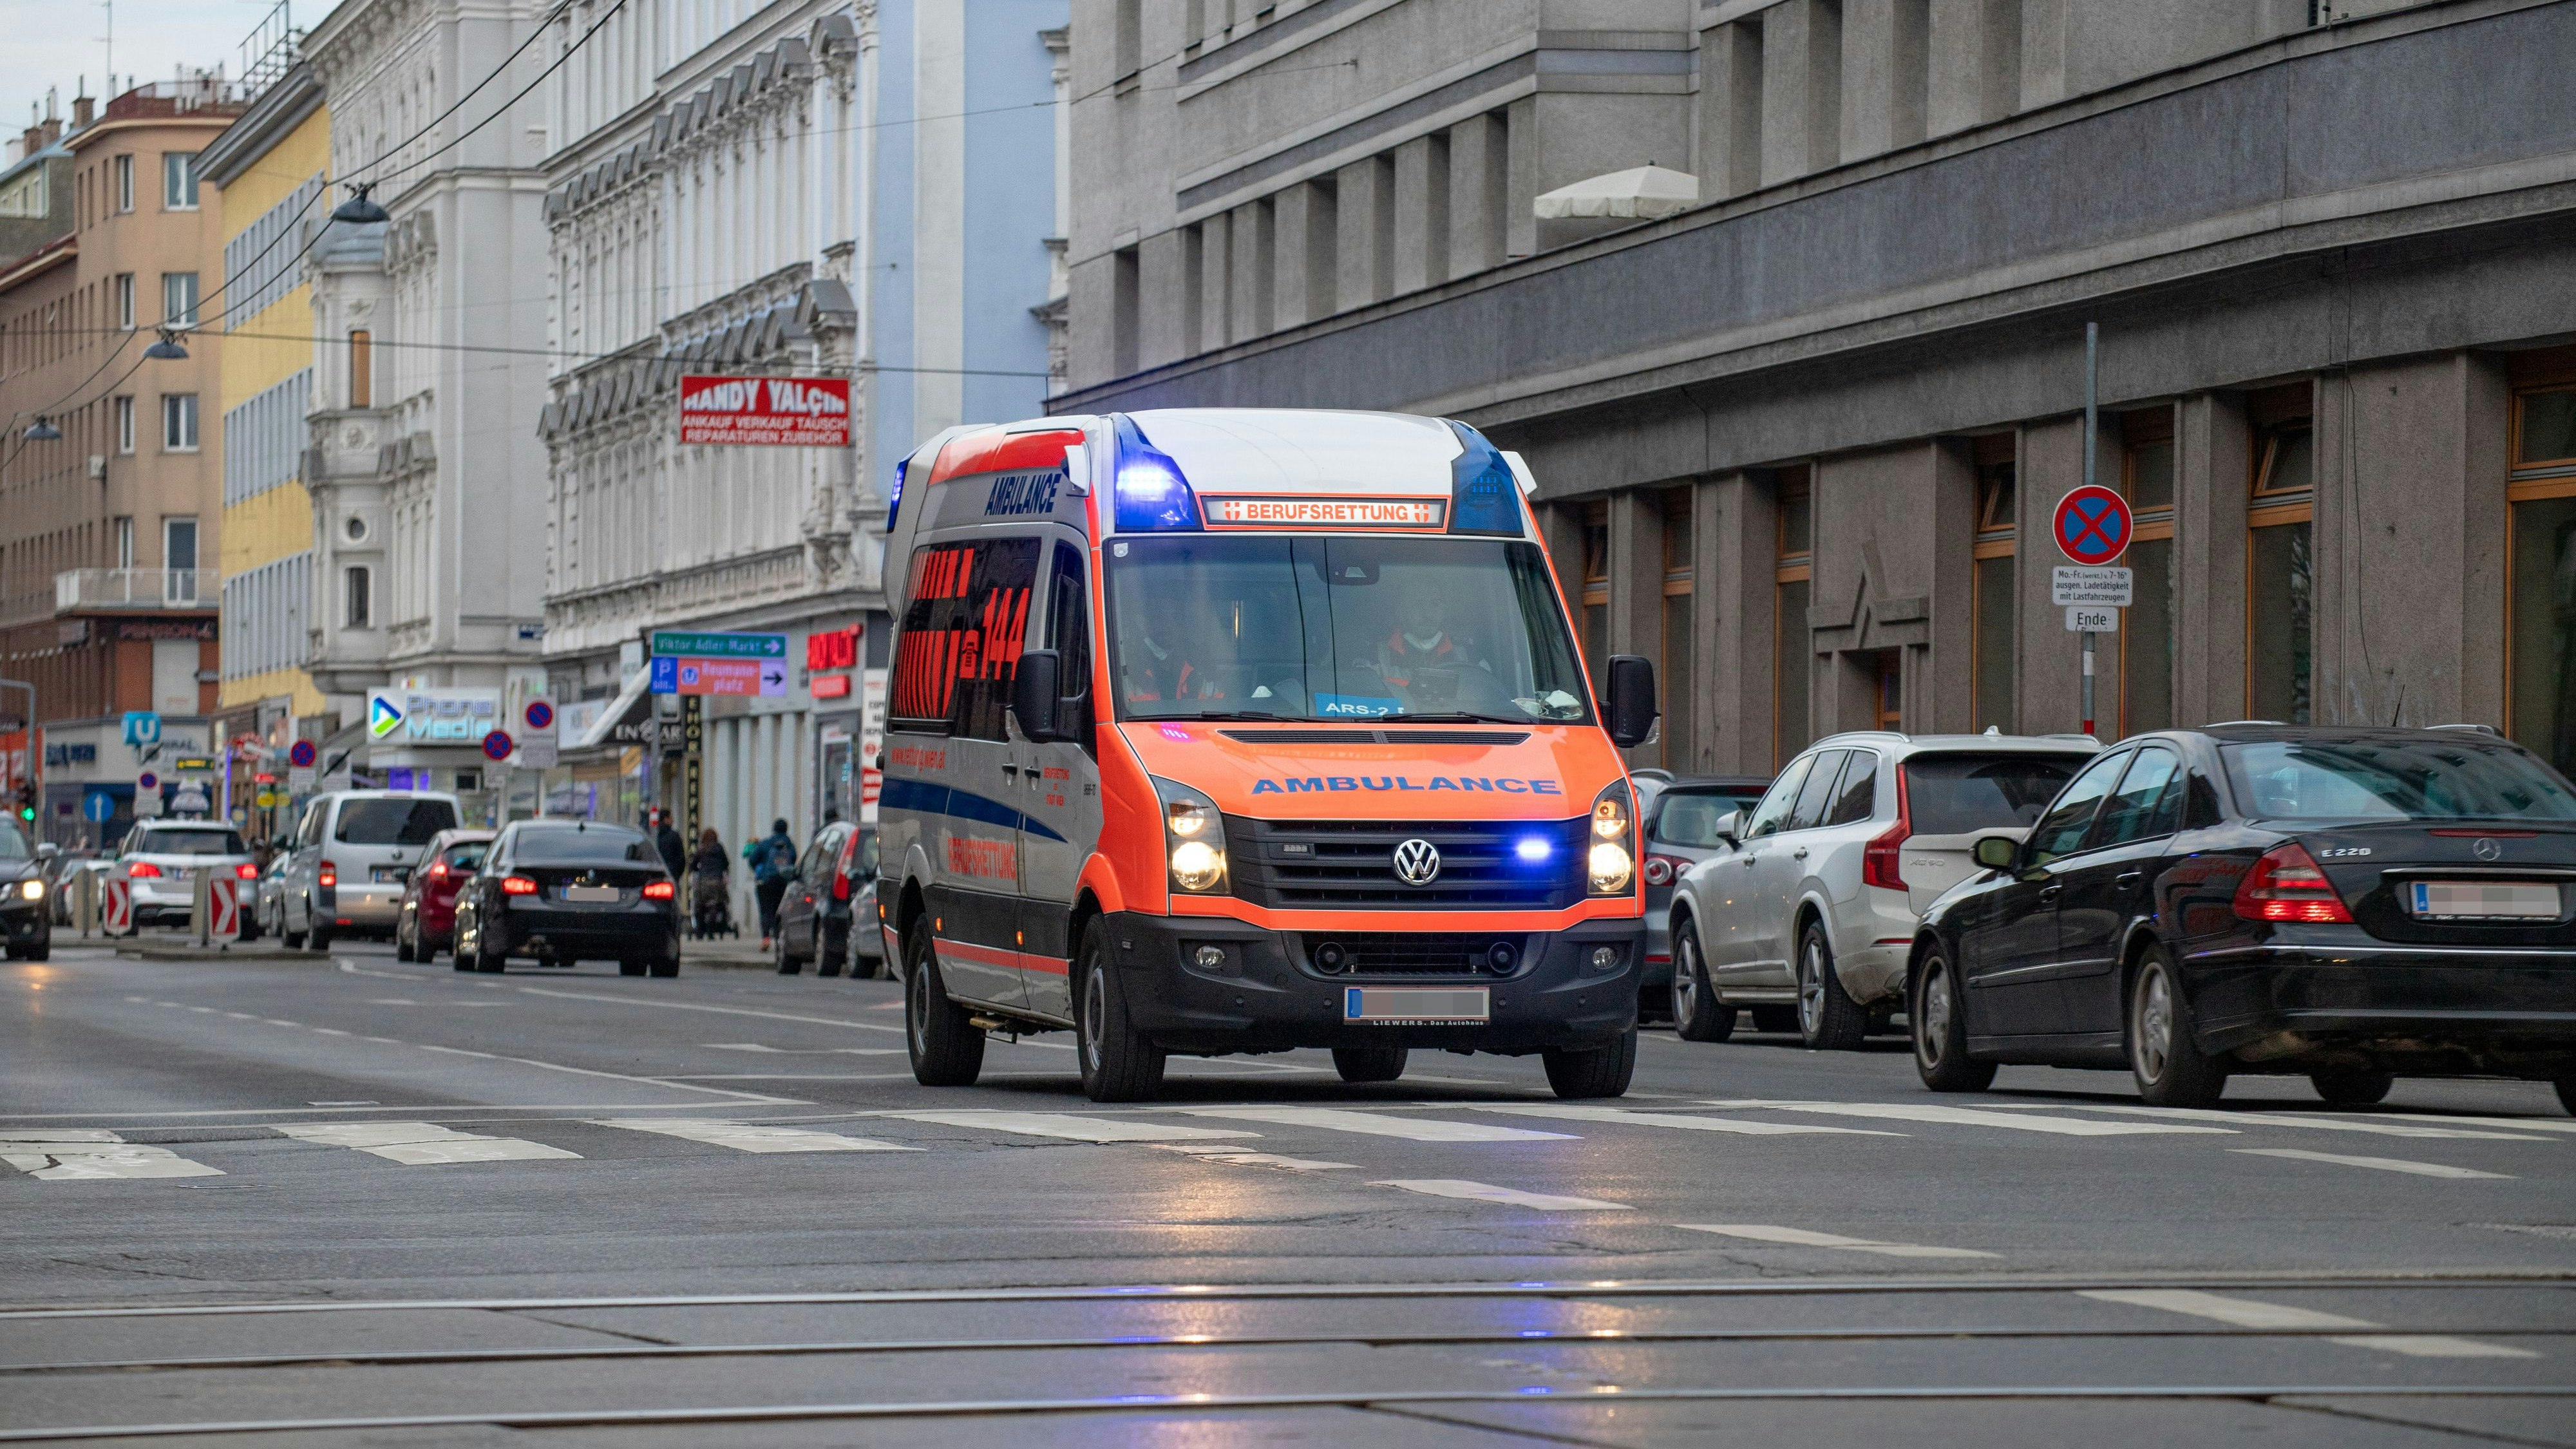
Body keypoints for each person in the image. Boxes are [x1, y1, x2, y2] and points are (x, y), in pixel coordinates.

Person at [746, 818, 797, 949]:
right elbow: (793, 861)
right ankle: (779, 939)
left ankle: (766, 939)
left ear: (774, 829)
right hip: (783, 883)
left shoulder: (765, 843)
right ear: (786, 829)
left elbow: (752, 860)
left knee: (765, 910)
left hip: (765, 882)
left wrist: (760, 870)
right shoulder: (790, 845)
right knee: (779, 910)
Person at [652, 810, 687, 881]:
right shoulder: (674, 836)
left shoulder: (655, 837)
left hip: (658, 874)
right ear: (666, 819)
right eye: (671, 818)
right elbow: (681, 859)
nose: (673, 820)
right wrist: (677, 873)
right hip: (672, 874)